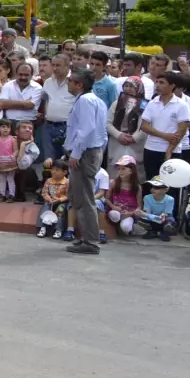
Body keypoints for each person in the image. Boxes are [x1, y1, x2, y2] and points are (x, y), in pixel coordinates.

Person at [62, 68, 108, 254]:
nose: (68, 83)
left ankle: (90, 241)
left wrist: (76, 154)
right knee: (77, 194)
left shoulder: (86, 101)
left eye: (71, 81)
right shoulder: (94, 100)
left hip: (85, 152)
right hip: (91, 151)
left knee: (84, 197)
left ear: (79, 84)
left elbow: (86, 129)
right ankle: (86, 237)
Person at [140, 71, 190, 209]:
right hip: (151, 149)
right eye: (157, 82)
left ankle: (170, 218)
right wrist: (164, 135)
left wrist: (169, 150)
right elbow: (144, 126)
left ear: (172, 86)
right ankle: (149, 216)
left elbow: (181, 131)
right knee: (152, 182)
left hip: (172, 151)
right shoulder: (152, 103)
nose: (158, 85)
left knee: (170, 186)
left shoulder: (181, 105)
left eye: (162, 83)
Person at [107, 76, 147, 177]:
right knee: (115, 174)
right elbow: (107, 123)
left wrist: (133, 138)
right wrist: (119, 135)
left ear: (138, 88)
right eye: (126, 86)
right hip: (117, 142)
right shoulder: (116, 103)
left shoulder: (144, 105)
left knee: (134, 173)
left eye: (131, 86)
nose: (127, 89)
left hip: (135, 144)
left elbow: (145, 126)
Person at [104, 155, 141, 237]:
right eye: (119, 169)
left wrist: (130, 213)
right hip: (116, 211)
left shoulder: (137, 187)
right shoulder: (113, 182)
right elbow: (106, 198)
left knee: (126, 228)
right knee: (115, 215)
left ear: (132, 170)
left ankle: (126, 227)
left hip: (129, 213)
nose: (121, 171)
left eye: (124, 169)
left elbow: (139, 206)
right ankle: (115, 226)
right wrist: (113, 206)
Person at [36, 160, 70, 239]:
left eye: (57, 170)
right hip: (50, 201)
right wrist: (49, 199)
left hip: (61, 202)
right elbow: (44, 192)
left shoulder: (67, 182)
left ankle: (59, 229)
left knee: (60, 209)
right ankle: (42, 228)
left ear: (64, 172)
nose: (54, 172)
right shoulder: (48, 181)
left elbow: (68, 195)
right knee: (45, 207)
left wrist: (59, 200)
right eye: (53, 169)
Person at [0, 118, 20, 202]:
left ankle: (11, 195)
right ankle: (2, 194)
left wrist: (14, 155)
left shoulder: (13, 139)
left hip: (10, 162)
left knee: (10, 179)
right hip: (0, 162)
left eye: (8, 127)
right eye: (3, 127)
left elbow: (16, 150)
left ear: (10, 129)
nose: (5, 129)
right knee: (2, 179)